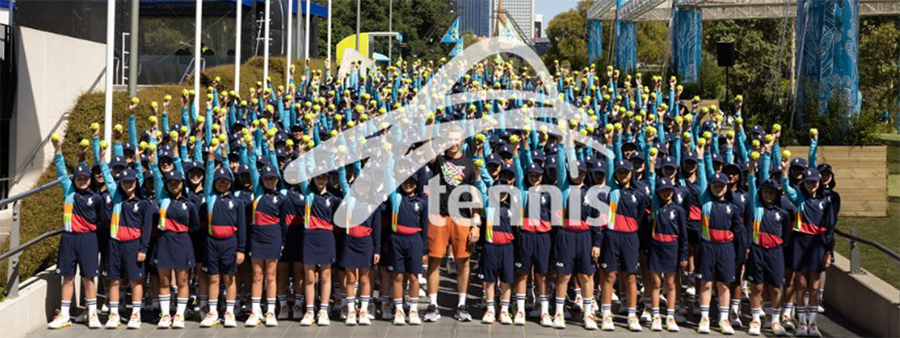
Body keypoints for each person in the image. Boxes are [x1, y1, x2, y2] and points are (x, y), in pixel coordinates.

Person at [424, 126, 480, 322]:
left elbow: (474, 196)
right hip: (439, 216)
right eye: (450, 139)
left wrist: (476, 224)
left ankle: (462, 305)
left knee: (463, 262)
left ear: (462, 141)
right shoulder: (439, 160)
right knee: (434, 260)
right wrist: (430, 127)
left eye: (457, 139)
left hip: (462, 218)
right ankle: (432, 306)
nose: (453, 143)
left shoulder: (469, 165)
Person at [47, 137, 104, 330]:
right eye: (78, 178)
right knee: (68, 276)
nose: (81, 181)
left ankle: (92, 314)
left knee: (89, 277)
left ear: (90, 179)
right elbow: (62, 173)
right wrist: (58, 151)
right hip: (69, 238)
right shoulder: (69, 192)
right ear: (75, 180)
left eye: (85, 178)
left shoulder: (96, 198)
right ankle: (64, 315)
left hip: (88, 239)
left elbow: (101, 219)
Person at [781, 134, 834, 338]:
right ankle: (801, 323)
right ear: (804, 183)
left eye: (815, 182)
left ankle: (813, 325)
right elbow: (786, 187)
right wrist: (785, 171)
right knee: (801, 285)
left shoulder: (826, 201)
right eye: (809, 182)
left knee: (814, 286)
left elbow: (829, 228)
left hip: (818, 246)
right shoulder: (799, 198)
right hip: (800, 243)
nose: (812, 184)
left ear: (819, 183)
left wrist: (828, 252)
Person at [99, 142, 154, 329]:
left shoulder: (144, 202)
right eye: (124, 182)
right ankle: (114, 314)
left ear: (136, 182)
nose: (127, 184)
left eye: (130, 181)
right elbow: (107, 177)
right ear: (120, 183)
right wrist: (101, 158)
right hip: (114, 243)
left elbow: (147, 229)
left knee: (135, 279)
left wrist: (143, 249)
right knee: (114, 279)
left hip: (134, 245)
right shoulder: (116, 197)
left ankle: (135, 314)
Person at [694, 138, 746, 335]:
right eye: (715, 185)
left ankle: (724, 319)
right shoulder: (705, 201)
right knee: (706, 283)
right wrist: (702, 155)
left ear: (727, 186)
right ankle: (705, 318)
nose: (718, 187)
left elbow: (738, 230)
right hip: (707, 247)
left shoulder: (733, 207)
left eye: (722, 185)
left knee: (724, 284)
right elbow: (702, 176)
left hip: (726, 249)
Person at [150, 140, 200, 329]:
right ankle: (165, 315)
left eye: (176, 182)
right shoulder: (162, 199)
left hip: (183, 242)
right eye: (170, 182)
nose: (173, 185)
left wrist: (177, 150)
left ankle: (179, 314)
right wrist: (154, 163)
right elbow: (156, 176)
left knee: (182, 280)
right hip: (164, 242)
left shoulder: (190, 204)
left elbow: (195, 227)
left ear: (182, 184)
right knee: (164, 279)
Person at [198, 144, 247, 328]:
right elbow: (209, 176)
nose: (222, 183)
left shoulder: (237, 201)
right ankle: (212, 312)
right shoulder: (210, 198)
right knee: (213, 277)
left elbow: (242, 227)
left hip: (230, 243)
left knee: (230, 278)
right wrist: (211, 157)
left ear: (230, 182)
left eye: (225, 181)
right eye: (219, 181)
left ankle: (229, 312)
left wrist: (241, 249)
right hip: (212, 242)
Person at [745, 144, 791, 336]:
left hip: (775, 252)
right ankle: (756, 320)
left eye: (772, 193)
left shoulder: (783, 214)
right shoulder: (756, 207)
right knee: (756, 286)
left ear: (777, 194)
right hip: (757, 250)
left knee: (775, 287)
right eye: (765, 192)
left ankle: (775, 321)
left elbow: (786, 236)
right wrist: (754, 165)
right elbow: (754, 182)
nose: (768, 195)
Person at [646, 151, 688, 332]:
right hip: (656, 246)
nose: (665, 193)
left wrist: (684, 255)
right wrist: (652, 165)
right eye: (662, 190)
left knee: (671, 283)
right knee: (655, 283)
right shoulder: (656, 206)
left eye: (668, 190)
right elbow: (651, 181)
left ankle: (670, 316)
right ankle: (656, 315)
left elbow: (684, 236)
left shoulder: (678, 210)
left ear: (673, 191)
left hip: (672, 247)